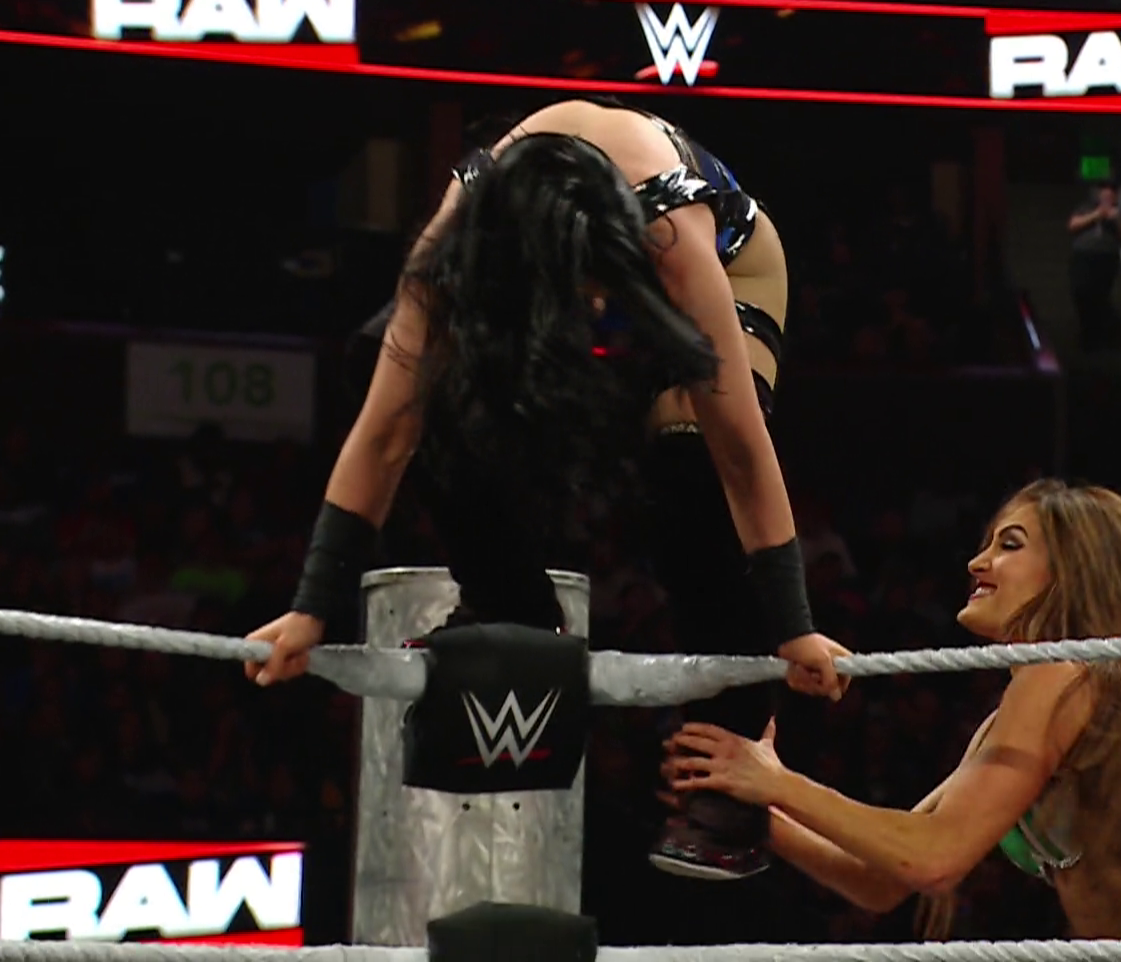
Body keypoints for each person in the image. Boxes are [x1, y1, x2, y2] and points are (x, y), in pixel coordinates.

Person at [242, 97, 851, 881]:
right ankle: (510, 600)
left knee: (690, 450)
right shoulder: (460, 231)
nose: (594, 306)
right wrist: (311, 606)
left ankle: (729, 764)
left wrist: (793, 628)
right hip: (536, 263)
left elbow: (740, 448)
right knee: (390, 367)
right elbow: (386, 430)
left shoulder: (673, 231)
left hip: (733, 263)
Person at [663, 479, 1121, 937]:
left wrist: (775, 782)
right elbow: (881, 880)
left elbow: (933, 857)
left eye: (1010, 544)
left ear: (1072, 571)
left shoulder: (1065, 675)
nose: (977, 563)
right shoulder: (1031, 705)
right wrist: (754, 807)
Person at [1064, 181, 1121, 352]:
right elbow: (1072, 225)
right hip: (1083, 255)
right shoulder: (1087, 207)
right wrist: (1096, 215)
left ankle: (1097, 339)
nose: (1108, 194)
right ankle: (1089, 335)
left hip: (1106, 258)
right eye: (1104, 191)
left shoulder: (1120, 212)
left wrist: (1117, 219)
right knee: (1080, 292)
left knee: (1099, 297)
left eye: (1112, 192)